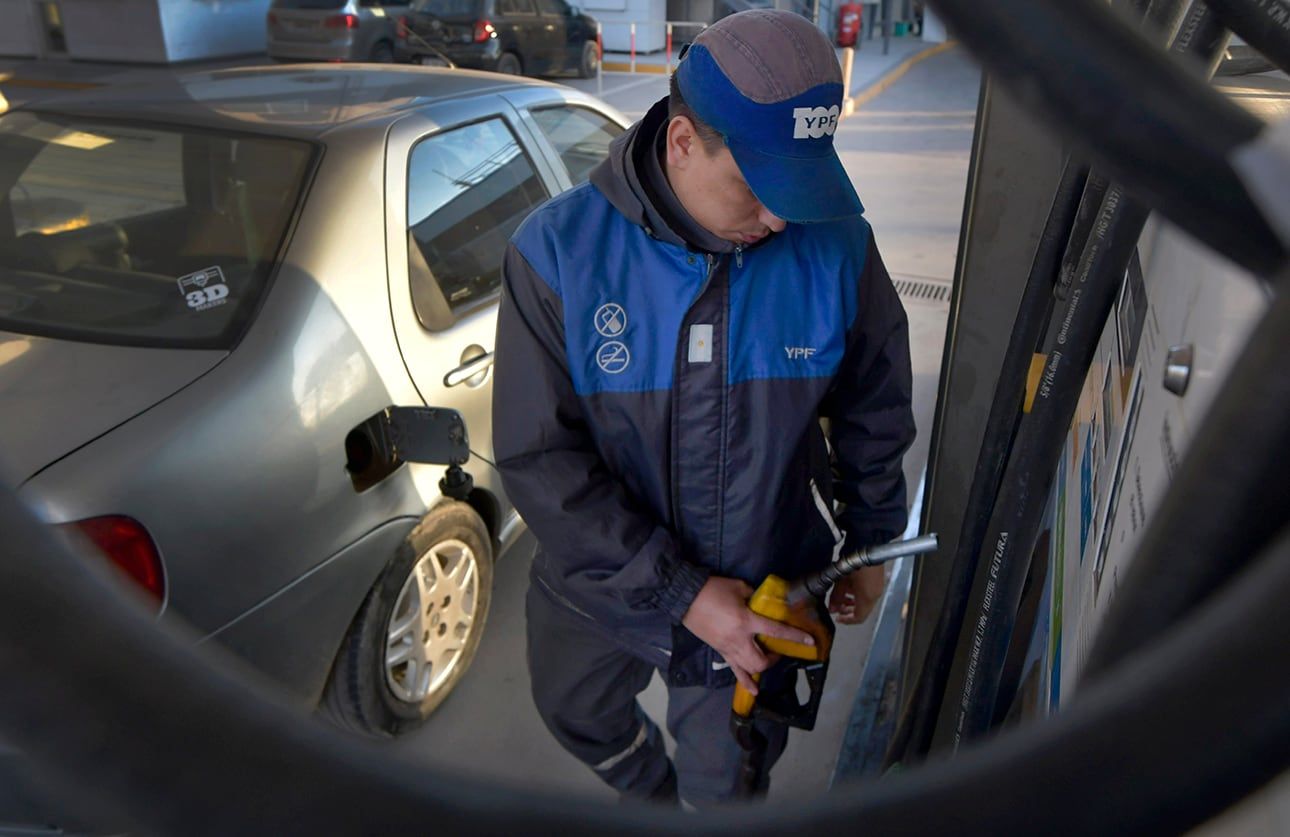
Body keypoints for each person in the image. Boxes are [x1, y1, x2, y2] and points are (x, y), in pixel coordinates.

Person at [491, 9, 915, 805]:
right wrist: (682, 593)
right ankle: (648, 797)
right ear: (683, 143)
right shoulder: (555, 257)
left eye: (800, 185)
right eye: (759, 188)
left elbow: (876, 405)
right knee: (576, 713)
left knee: (730, 788)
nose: (783, 218)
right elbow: (540, 461)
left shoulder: (839, 246)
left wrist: (873, 536)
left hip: (765, 591)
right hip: (601, 589)